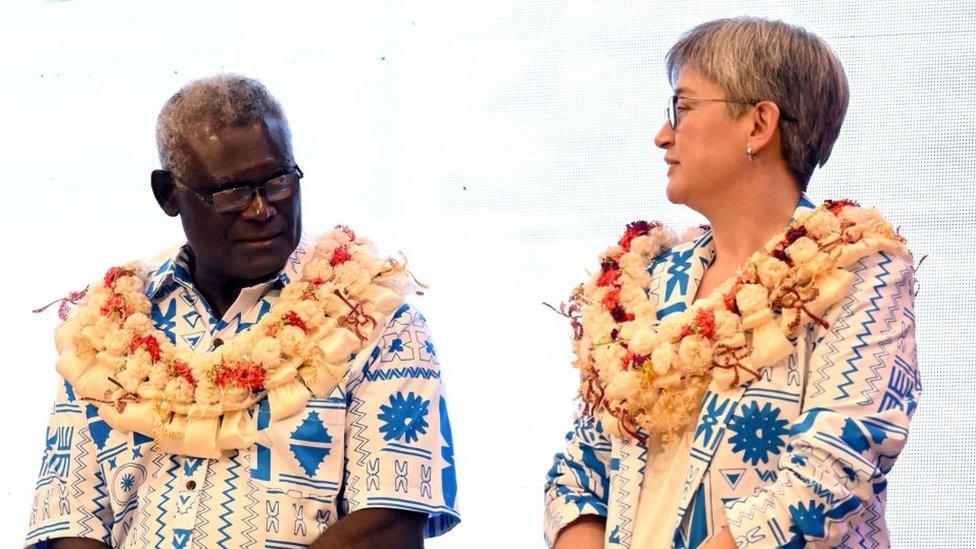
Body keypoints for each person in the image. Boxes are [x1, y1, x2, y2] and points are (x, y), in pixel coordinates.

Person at [26, 74, 460, 548]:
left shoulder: (372, 317)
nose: (261, 210)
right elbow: (69, 526)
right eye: (232, 193)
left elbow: (388, 526)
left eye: (278, 183)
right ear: (168, 194)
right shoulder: (103, 334)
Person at [545, 17, 918, 549]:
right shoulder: (648, 278)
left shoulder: (853, 268)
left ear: (759, 124)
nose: (663, 134)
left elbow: (838, 465)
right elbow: (582, 465)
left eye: (685, 107)